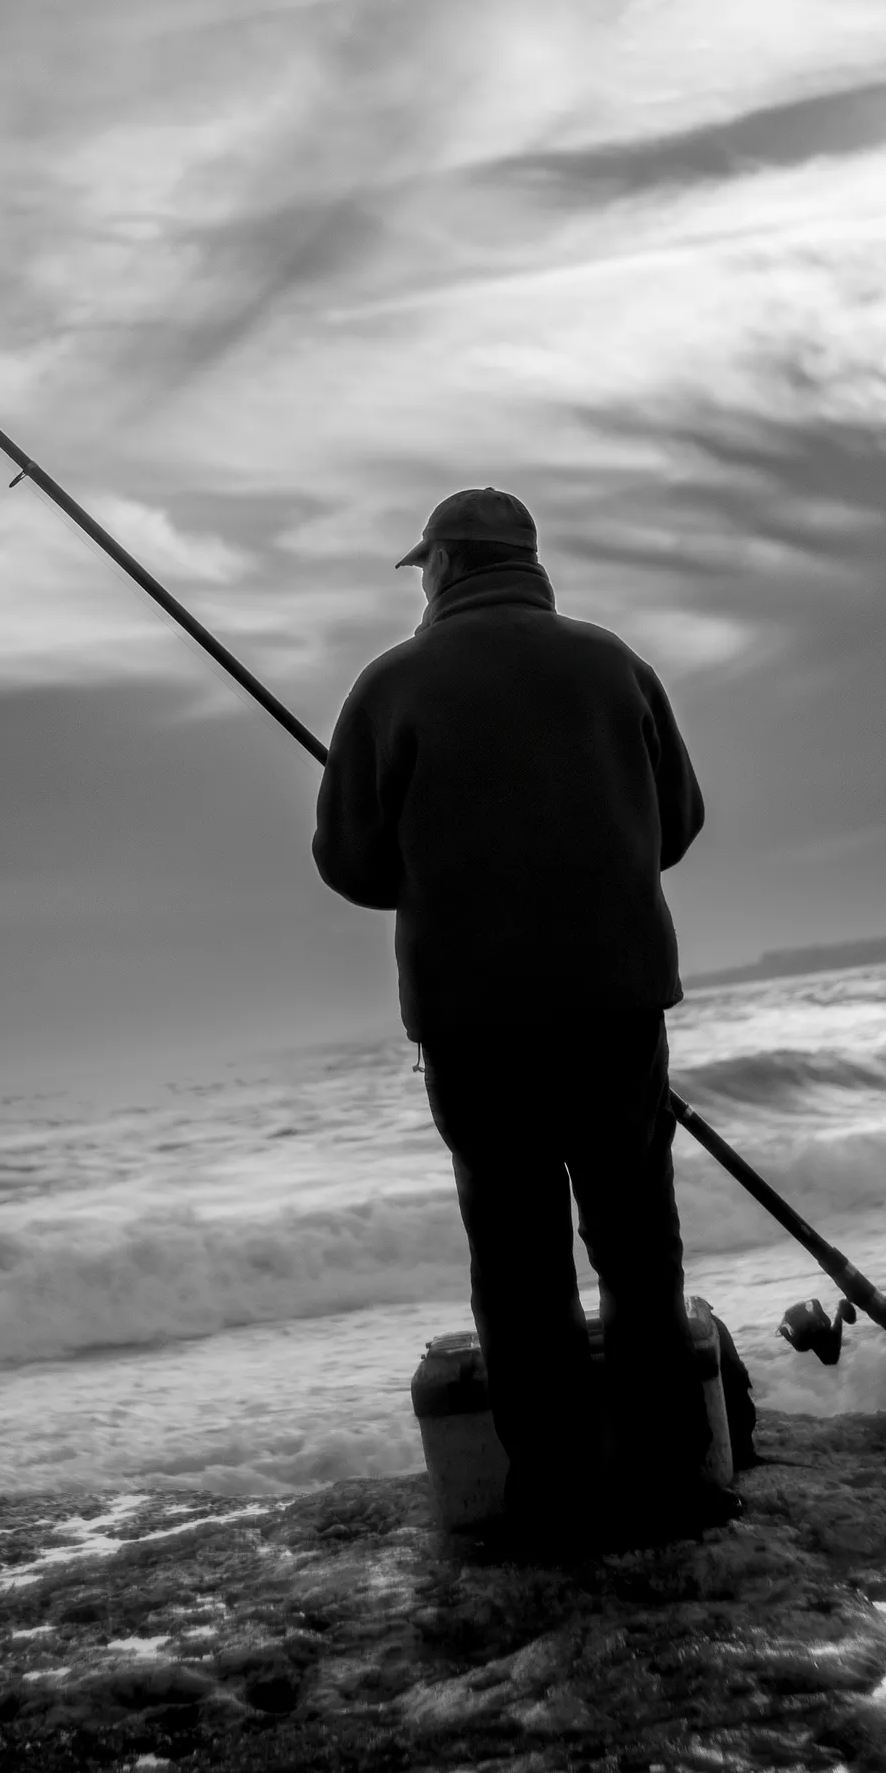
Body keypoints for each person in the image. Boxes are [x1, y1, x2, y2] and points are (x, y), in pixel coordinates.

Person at [311, 486, 731, 1552]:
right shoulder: (612, 664)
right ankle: (669, 1480)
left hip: (475, 1020)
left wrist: (439, 851)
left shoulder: (393, 684)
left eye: (425, 569)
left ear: (444, 565)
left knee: (518, 1254)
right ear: (526, 561)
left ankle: (555, 1492)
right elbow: (675, 824)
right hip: (617, 1003)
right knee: (638, 1247)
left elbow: (352, 867)